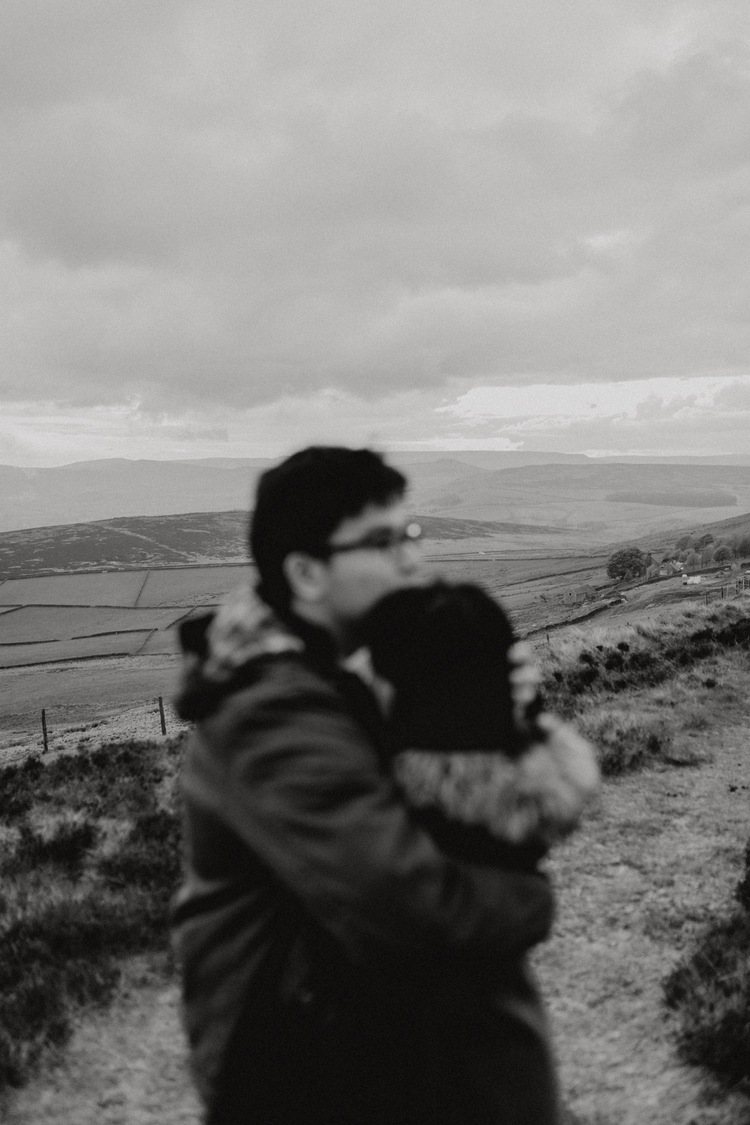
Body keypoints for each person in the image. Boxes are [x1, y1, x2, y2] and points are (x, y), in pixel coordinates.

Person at [172, 446, 560, 1124]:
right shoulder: (274, 712)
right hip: (289, 1055)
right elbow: (409, 902)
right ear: (307, 573)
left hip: (343, 1021)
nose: (412, 558)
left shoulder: (335, 672)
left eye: (411, 533)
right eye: (383, 541)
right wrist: (530, 901)